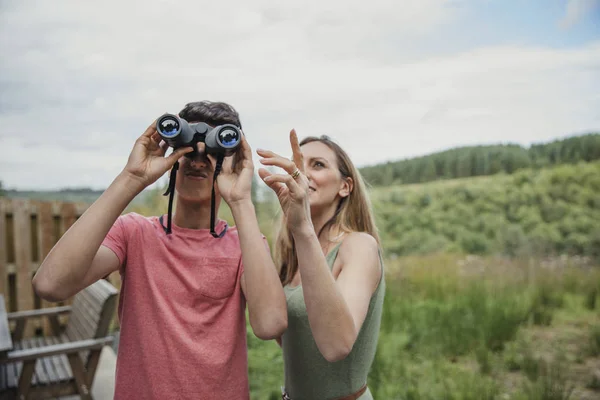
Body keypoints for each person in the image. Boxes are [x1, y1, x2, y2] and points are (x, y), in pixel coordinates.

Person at [32, 101, 288, 400]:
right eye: (188, 148)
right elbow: (50, 284)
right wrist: (132, 178)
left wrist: (242, 201)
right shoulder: (134, 233)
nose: (198, 160)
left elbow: (270, 324)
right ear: (172, 155)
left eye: (214, 152)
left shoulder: (245, 243)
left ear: (234, 159)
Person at [257, 130, 385, 400]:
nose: (302, 173)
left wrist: (302, 227)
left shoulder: (358, 246)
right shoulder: (293, 254)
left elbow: (336, 345)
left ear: (345, 186)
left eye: (318, 165)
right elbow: (286, 336)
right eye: (298, 163)